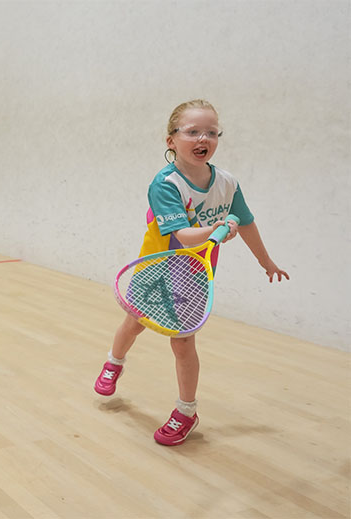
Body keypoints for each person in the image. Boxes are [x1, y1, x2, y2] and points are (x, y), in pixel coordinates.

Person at [93, 99, 289, 446]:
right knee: (133, 323)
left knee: (182, 343)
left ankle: (186, 411)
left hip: (193, 277)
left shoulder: (227, 183)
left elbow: (245, 221)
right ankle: (114, 362)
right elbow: (184, 237)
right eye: (193, 131)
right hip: (155, 268)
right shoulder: (165, 184)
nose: (204, 138)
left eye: (212, 132)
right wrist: (219, 229)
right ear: (171, 141)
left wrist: (265, 261)